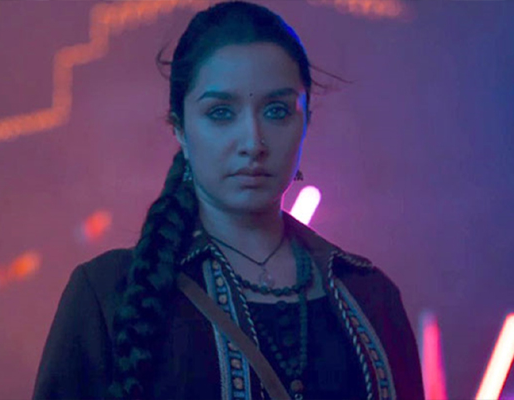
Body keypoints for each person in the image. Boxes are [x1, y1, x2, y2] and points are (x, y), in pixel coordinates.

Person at [33, 1, 424, 399]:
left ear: (306, 121)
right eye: (221, 113)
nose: (253, 142)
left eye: (276, 111)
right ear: (179, 128)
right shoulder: (108, 294)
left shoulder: (370, 296)